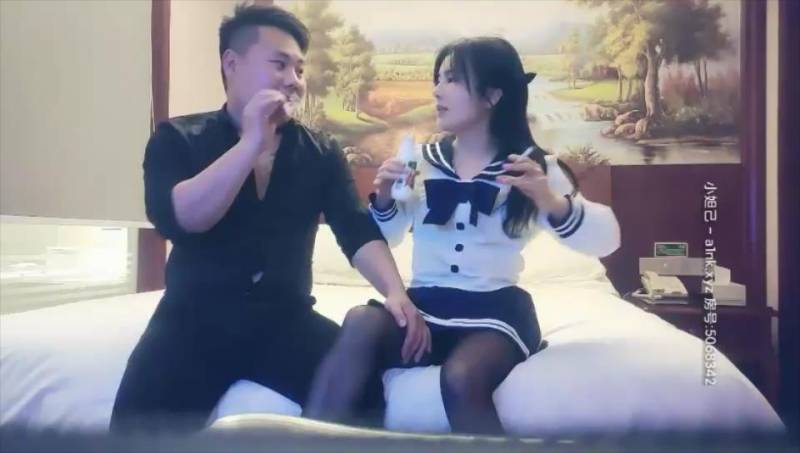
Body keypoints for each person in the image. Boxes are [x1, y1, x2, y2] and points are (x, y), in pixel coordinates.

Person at [110, 4, 430, 432]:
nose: (293, 80)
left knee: (364, 395)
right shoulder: (178, 138)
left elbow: (355, 228)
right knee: (134, 430)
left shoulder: (321, 152)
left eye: (299, 69)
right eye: (280, 64)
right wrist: (251, 143)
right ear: (232, 64)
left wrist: (394, 291)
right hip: (192, 318)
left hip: (285, 318)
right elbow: (182, 218)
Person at [303, 37, 621, 434]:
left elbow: (607, 240)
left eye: (451, 79)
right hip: (424, 307)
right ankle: (306, 442)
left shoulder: (533, 169)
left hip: (496, 313)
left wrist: (551, 201)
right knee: (361, 320)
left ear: (492, 95)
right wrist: (383, 198)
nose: (437, 90)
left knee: (461, 377)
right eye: (437, 79)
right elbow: (387, 239)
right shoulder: (420, 162)